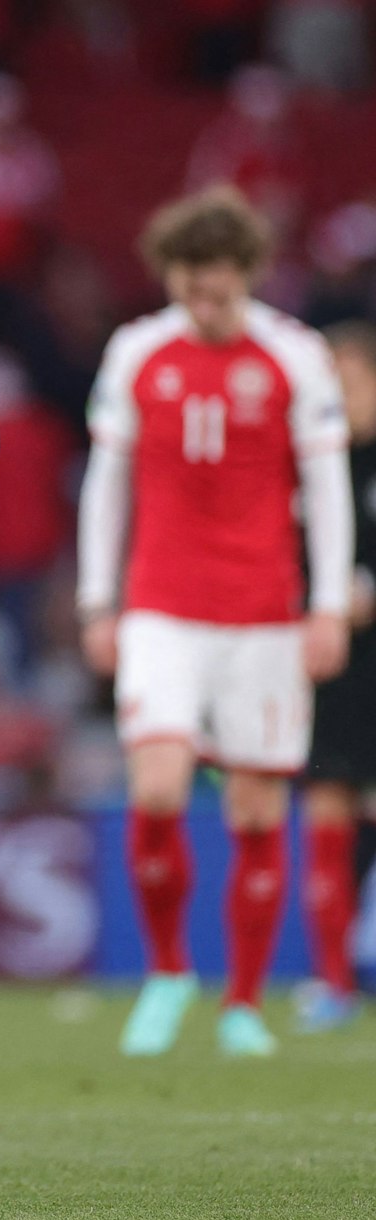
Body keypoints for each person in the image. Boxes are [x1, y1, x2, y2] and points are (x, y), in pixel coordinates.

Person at [77, 187, 353, 1061]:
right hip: (162, 607)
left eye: (219, 286)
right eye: (189, 286)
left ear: (249, 274)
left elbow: (328, 488)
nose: (204, 303)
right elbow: (107, 484)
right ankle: (167, 971)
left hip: (264, 614)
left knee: (256, 804)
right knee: (158, 786)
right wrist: (97, 599)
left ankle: (242, 1001)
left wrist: (328, 604)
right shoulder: (136, 351)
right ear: (171, 277)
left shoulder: (296, 355)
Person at [294, 321, 376, 1029]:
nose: (336, 399)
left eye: (348, 383)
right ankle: (333, 981)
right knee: (329, 811)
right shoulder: (307, 467)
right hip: (330, 667)